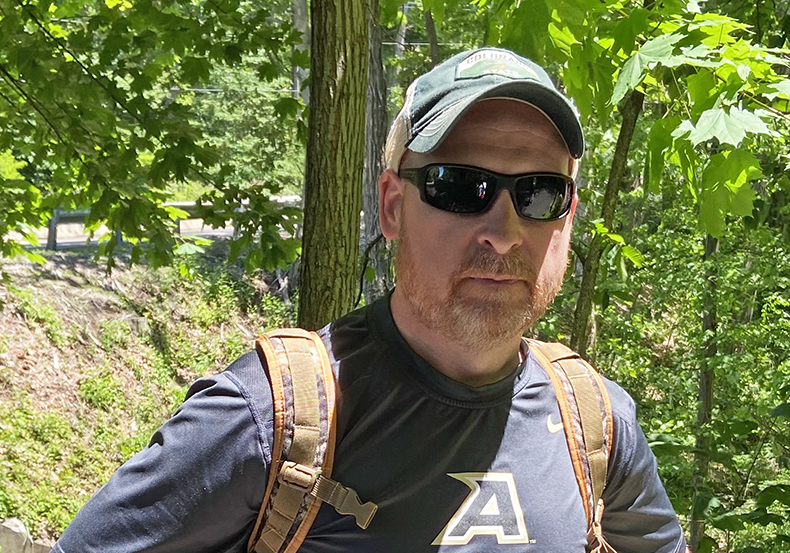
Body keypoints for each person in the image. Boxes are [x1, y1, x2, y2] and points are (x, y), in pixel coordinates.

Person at [53, 47, 687, 553]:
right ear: (391, 206)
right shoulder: (272, 421)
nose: (504, 232)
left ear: (569, 218)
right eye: (461, 187)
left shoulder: (597, 426)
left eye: (540, 194)